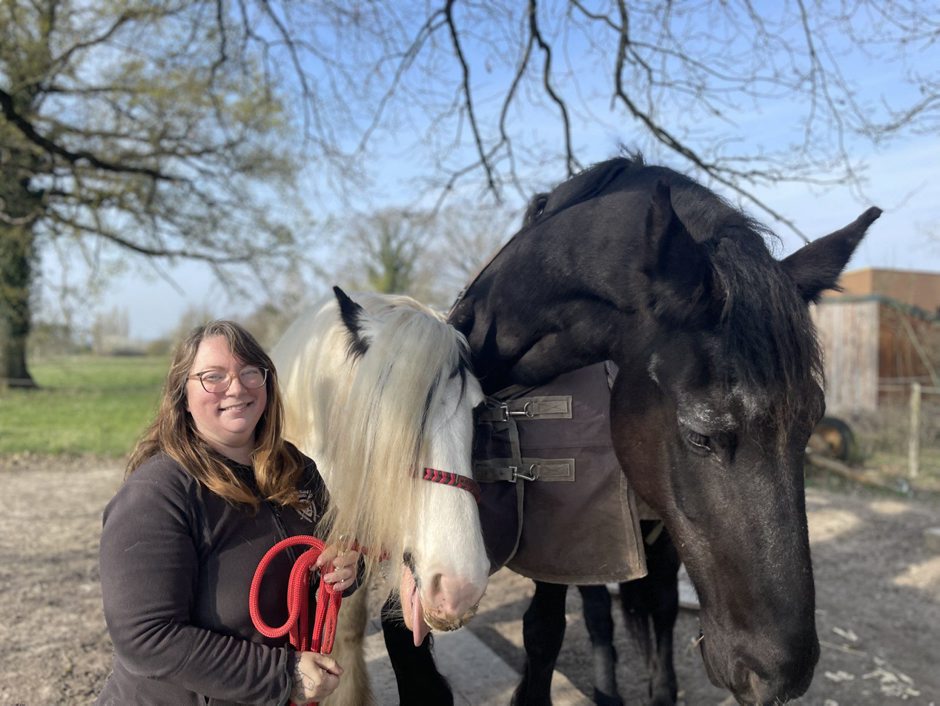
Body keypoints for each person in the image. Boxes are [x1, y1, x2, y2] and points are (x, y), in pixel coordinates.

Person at [97, 320, 360, 705]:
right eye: (213, 377)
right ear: (183, 396)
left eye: (250, 372)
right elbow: (147, 638)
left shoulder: (296, 469)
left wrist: (348, 568)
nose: (236, 388)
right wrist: (281, 674)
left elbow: (336, 546)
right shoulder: (156, 495)